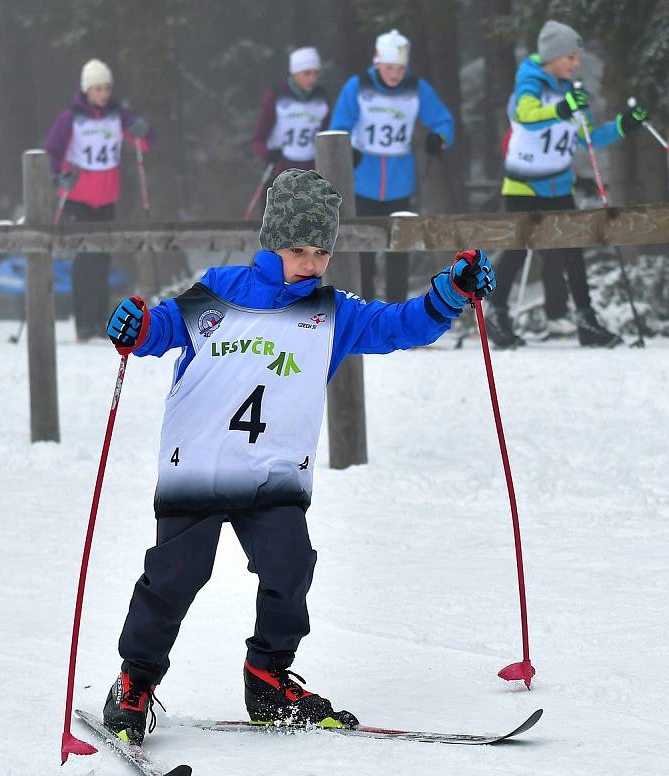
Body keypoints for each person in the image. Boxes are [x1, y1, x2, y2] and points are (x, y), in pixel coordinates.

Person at [100, 168, 495, 744]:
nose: (310, 262)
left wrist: (448, 293)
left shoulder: (335, 312)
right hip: (199, 466)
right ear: (271, 243)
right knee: (175, 576)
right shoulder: (219, 289)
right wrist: (136, 327)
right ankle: (134, 681)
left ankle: (267, 676)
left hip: (273, 474)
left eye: (321, 251)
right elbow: (161, 328)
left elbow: (400, 325)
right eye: (298, 249)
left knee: (290, 569)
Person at [485, 20, 648, 348]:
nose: (576, 64)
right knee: (517, 251)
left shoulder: (573, 91)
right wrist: (561, 108)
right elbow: (525, 115)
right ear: (552, 56)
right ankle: (496, 311)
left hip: (559, 185)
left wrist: (624, 125)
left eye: (578, 57)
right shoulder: (529, 82)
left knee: (572, 251)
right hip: (524, 185)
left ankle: (587, 320)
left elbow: (589, 137)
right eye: (570, 57)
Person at [330, 29, 454, 303]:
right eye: (389, 68)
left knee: (399, 248)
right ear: (377, 62)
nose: (395, 75)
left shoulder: (416, 87)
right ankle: (361, 312)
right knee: (364, 252)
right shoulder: (357, 86)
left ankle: (397, 316)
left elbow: (443, 121)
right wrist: (348, 150)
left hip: (401, 182)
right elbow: (338, 127)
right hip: (362, 181)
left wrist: (439, 138)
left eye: (400, 68)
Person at [45, 59, 155, 341]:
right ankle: (83, 323)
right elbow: (52, 150)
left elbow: (144, 142)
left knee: (103, 258)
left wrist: (143, 132)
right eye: (97, 89)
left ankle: (97, 322)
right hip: (78, 197)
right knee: (85, 260)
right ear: (86, 90)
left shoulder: (118, 115)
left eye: (106, 88)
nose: (103, 94)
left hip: (106, 198)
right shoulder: (71, 118)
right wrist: (59, 176)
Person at [251, 47, 330, 212]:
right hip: (280, 173)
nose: (312, 78)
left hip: (311, 174)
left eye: (316, 73)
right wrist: (268, 153)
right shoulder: (277, 96)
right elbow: (258, 139)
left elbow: (327, 134)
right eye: (307, 73)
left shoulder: (321, 97)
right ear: (295, 72)